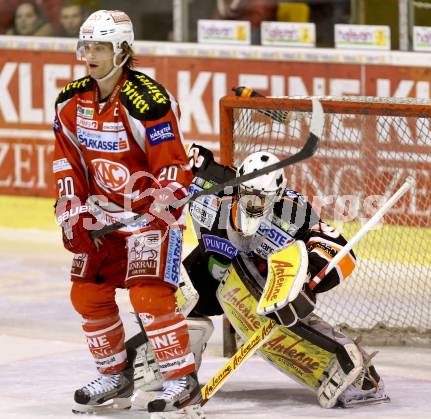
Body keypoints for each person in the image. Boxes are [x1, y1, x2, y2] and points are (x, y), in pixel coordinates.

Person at [134, 142, 390, 409]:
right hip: (209, 268)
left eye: (263, 197)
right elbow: (179, 158)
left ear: (277, 195)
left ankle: (354, 368)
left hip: (257, 280)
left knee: (267, 318)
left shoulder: (294, 210)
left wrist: (309, 277)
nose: (253, 203)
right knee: (166, 294)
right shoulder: (210, 182)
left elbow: (340, 251)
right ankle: (175, 366)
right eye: (247, 193)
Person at [52, 9, 203, 415]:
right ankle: (116, 375)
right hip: (102, 214)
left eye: (99, 46)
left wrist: (163, 200)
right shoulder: (70, 100)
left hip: (150, 214)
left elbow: (172, 162)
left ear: (122, 50)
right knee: (86, 293)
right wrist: (71, 212)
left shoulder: (149, 100)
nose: (89, 54)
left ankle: (181, 380)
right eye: (85, 46)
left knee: (149, 295)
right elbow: (68, 162)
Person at [214, 0, 278, 44]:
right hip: (230, 34)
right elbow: (217, 18)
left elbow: (259, 18)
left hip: (254, 33)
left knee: (252, 33)